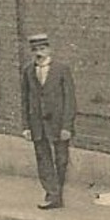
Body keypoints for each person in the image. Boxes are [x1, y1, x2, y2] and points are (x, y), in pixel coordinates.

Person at [20, 32, 77, 210]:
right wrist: (26, 126)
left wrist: (67, 126)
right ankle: (52, 194)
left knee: (61, 159)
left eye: (43, 48)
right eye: (36, 50)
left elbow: (70, 99)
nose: (39, 53)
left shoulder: (61, 69)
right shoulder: (28, 71)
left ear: (49, 49)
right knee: (43, 159)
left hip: (58, 124)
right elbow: (25, 99)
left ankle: (55, 193)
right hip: (37, 124)